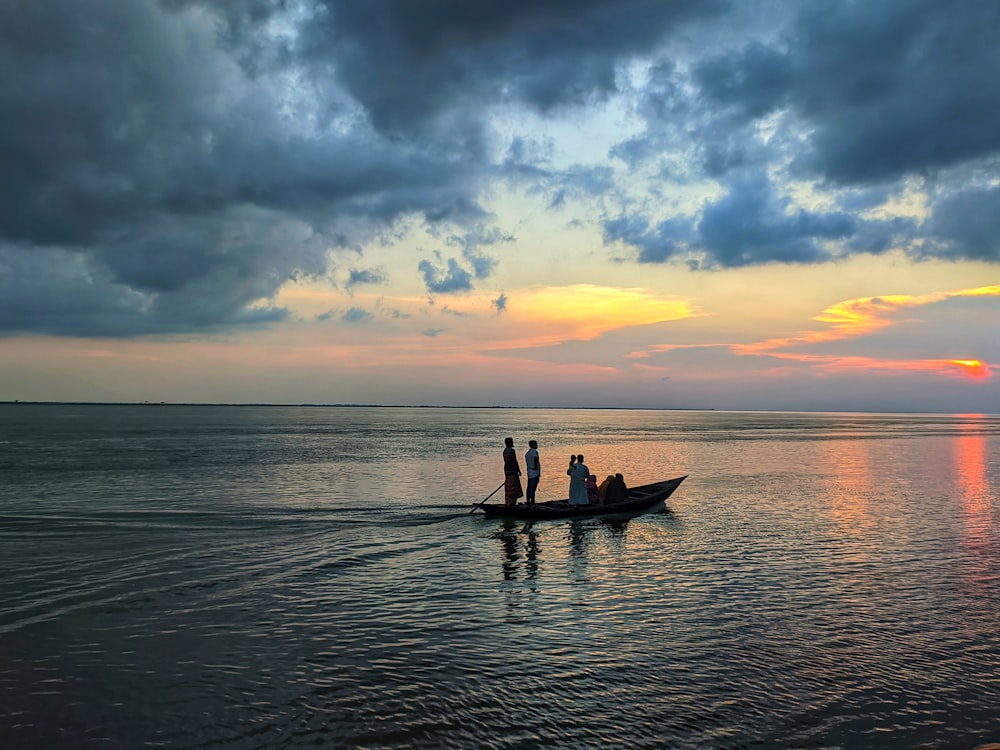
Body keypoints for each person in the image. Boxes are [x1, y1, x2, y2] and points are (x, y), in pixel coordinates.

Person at [502, 437, 523, 506]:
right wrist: (518, 470)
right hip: (512, 470)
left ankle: (509, 502)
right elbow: (514, 461)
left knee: (509, 487)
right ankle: (511, 503)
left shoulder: (505, 451)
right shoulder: (511, 451)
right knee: (514, 487)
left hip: (507, 470)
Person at [524, 439, 540, 505]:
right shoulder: (534, 452)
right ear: (533, 445)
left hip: (529, 471)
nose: (537, 445)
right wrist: (536, 467)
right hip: (534, 472)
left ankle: (528, 500)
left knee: (529, 486)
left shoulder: (527, 453)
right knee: (533, 487)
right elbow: (535, 459)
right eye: (536, 444)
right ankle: (532, 501)